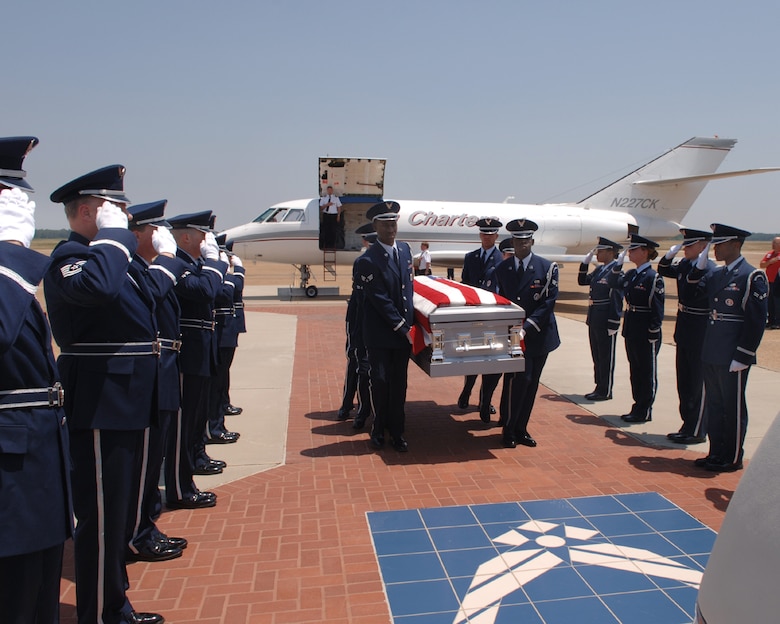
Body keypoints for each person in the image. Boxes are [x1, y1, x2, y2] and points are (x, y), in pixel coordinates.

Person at [44, 165, 164, 624]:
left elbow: (151, 295)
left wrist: (132, 249)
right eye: (116, 209)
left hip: (128, 399)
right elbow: (97, 289)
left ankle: (114, 599)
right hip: (100, 402)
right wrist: (112, 242)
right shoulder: (70, 257)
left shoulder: (112, 257)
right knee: (99, 519)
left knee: (118, 515)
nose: (126, 217)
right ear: (91, 210)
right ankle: (100, 612)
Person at [0, 137, 74, 623]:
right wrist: (9, 253)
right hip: (12, 463)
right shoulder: (10, 269)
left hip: (36, 454)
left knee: (39, 587)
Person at [126, 200, 190, 563]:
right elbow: (149, 298)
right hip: (149, 369)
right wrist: (167, 258)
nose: (162, 236)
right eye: (155, 230)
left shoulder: (145, 267)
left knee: (153, 458)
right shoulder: (137, 268)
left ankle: (146, 525)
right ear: (138, 235)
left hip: (161, 366)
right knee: (144, 461)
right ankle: (139, 532)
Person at [689, 224, 767, 472]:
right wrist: (700, 265)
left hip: (733, 354)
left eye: (719, 244)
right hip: (712, 350)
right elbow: (693, 293)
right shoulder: (717, 275)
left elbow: (755, 321)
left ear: (735, 244)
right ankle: (716, 452)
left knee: (732, 408)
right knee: (715, 404)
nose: (715, 249)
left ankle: (732, 457)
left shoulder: (751, 276)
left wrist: (743, 355)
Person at [167, 210, 228, 509]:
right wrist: (216, 262)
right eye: (204, 235)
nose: (210, 241)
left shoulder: (194, 264)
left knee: (195, 419)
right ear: (187, 237)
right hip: (187, 352)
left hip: (201, 348)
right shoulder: (177, 265)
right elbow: (206, 291)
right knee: (183, 423)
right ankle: (179, 488)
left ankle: (190, 470)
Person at [494, 219, 560, 448]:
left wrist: (526, 327)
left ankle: (521, 428)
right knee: (516, 382)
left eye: (525, 240)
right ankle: (509, 429)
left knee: (531, 384)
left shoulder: (547, 268)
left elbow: (548, 303)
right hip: (514, 336)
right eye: (517, 240)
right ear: (512, 241)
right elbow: (502, 301)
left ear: (532, 241)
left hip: (539, 335)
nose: (521, 245)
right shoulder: (503, 269)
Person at [355, 201, 414, 452]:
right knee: (380, 382)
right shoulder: (367, 261)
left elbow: (407, 289)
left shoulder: (405, 250)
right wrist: (403, 327)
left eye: (393, 223)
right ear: (375, 226)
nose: (390, 228)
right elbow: (379, 298)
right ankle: (378, 429)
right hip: (381, 334)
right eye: (385, 224)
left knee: (399, 384)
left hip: (402, 335)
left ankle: (397, 431)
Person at [658, 228, 716, 444]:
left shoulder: (709, 269)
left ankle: (698, 429)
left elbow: (696, 293)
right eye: (684, 245)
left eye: (689, 245)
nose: (685, 249)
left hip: (700, 330)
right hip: (684, 328)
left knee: (697, 383)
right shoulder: (684, 264)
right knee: (684, 382)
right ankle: (687, 424)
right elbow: (663, 269)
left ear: (703, 246)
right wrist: (669, 254)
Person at [611, 233, 664, 423]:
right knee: (635, 370)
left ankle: (644, 409)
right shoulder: (633, 274)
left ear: (645, 252)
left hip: (645, 331)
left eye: (633, 250)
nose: (630, 253)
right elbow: (614, 283)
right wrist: (618, 265)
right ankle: (637, 406)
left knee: (646, 372)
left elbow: (657, 309)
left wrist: (653, 331)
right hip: (632, 327)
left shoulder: (653, 277)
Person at [457, 218, 504, 422]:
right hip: (474, 317)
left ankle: (485, 402)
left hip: (493, 319)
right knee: (471, 358)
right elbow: (465, 285)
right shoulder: (471, 257)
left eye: (490, 233)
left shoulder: (503, 259)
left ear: (496, 236)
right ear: (480, 235)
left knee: (492, 362)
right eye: (484, 233)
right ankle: (467, 389)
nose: (487, 236)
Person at [337, 223, 376, 428]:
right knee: (355, 362)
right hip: (358, 319)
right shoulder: (362, 262)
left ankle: (363, 406)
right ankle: (347, 404)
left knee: (362, 366)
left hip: (367, 319)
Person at [578, 237, 624, 401]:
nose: (598, 253)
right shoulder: (600, 270)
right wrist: (585, 264)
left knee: (606, 357)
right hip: (595, 317)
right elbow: (583, 281)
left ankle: (605, 390)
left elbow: (616, 298)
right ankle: (599, 386)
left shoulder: (616, 272)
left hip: (606, 319)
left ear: (611, 252)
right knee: (597, 355)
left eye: (601, 251)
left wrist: (614, 322)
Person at [759, 236, 780, 329]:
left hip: (777, 281)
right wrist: (772, 261)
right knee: (770, 301)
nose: (773, 245)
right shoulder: (770, 254)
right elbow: (762, 264)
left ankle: (777, 321)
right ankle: (771, 321)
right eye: (773, 243)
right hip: (769, 281)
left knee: (777, 301)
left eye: (775, 243)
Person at [319, 185, 343, 249]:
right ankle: (326, 244)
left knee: (333, 230)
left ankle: (333, 245)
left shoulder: (336, 198)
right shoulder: (323, 198)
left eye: (331, 190)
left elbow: (339, 207)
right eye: (328, 190)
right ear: (327, 191)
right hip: (326, 215)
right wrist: (327, 204)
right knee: (326, 230)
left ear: (332, 191)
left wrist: (338, 216)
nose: (329, 191)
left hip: (333, 215)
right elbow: (321, 208)